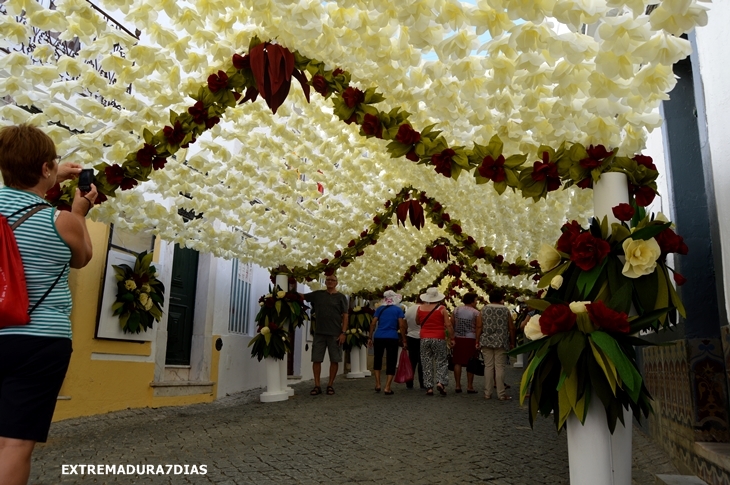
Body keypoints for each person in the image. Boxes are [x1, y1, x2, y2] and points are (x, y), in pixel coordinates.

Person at [0, 124, 96, 485]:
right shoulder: (63, 222)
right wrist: (80, 212)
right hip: (39, 340)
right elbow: (82, 258)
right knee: (13, 444)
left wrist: (51, 171)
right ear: (44, 169)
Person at [303, 274, 349, 396]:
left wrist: (343, 332)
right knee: (316, 359)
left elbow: (345, 315)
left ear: (336, 283)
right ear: (325, 282)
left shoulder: (341, 297)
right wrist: (285, 294)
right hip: (319, 333)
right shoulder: (318, 295)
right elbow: (302, 296)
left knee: (335, 360)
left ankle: (330, 385)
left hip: (335, 333)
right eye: (328, 280)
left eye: (332, 280)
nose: (330, 282)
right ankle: (317, 385)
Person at [367, 290, 406, 395]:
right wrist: (404, 339)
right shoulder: (398, 310)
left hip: (379, 336)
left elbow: (373, 323)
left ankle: (378, 384)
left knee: (377, 359)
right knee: (391, 361)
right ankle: (387, 387)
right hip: (392, 337)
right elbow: (401, 326)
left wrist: (370, 337)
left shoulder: (379, 309)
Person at [417, 287, 453, 396]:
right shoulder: (442, 309)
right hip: (439, 337)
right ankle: (441, 382)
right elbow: (448, 325)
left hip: (424, 337)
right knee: (441, 361)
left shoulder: (420, 308)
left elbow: (417, 321)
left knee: (426, 362)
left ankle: (429, 387)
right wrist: (452, 338)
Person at [480, 289, 514, 400]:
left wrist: (477, 339)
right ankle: (501, 394)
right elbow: (511, 327)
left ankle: (487, 393)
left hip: (486, 340)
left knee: (488, 367)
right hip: (501, 341)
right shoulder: (505, 310)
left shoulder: (484, 309)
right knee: (500, 367)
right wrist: (512, 342)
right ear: (501, 298)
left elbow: (479, 326)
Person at [451, 292, 482, 394]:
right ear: (471, 301)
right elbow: (478, 327)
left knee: (457, 361)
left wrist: (452, 338)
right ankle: (469, 386)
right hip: (471, 338)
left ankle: (457, 385)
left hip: (458, 337)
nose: (476, 302)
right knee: (471, 362)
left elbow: (452, 324)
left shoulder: (456, 310)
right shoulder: (476, 313)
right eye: (475, 300)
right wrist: (478, 340)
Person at [403, 302, 424, 389]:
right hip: (422, 336)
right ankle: (422, 383)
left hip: (410, 336)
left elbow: (404, 324)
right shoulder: (423, 309)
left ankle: (409, 382)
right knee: (422, 360)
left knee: (411, 360)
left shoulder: (409, 309)